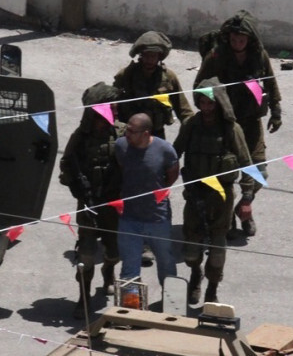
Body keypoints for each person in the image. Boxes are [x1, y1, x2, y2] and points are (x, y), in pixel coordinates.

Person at [194, 10, 282, 237]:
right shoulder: (217, 55)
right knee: (226, 172)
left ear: (250, 39)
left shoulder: (259, 55)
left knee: (259, 171)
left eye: (242, 39)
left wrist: (276, 111)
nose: (237, 43)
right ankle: (226, 219)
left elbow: (271, 83)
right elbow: (199, 85)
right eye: (233, 39)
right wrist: (210, 109)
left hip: (252, 122)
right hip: (226, 122)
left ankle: (244, 206)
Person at [173, 77, 255, 304]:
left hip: (222, 197)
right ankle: (195, 274)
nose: (206, 108)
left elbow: (247, 163)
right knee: (191, 248)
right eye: (202, 102)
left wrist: (247, 198)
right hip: (195, 193)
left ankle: (212, 287)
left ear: (218, 103)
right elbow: (174, 153)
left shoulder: (231, 129)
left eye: (210, 102)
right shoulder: (191, 125)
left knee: (218, 249)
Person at [59, 82, 124, 319]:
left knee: (114, 251)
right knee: (86, 255)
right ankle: (84, 297)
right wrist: (77, 186)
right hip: (88, 204)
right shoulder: (81, 137)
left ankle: (109, 271)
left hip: (113, 204)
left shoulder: (122, 133)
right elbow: (66, 163)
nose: (116, 111)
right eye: (112, 107)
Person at [114, 113, 179, 286]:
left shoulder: (164, 149)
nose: (127, 134)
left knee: (166, 262)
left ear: (146, 133)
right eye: (127, 129)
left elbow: (173, 172)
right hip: (129, 218)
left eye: (132, 131)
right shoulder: (121, 146)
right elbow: (123, 169)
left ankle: (170, 303)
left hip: (157, 218)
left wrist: (159, 189)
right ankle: (130, 307)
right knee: (129, 268)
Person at [114, 31, 195, 140]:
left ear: (159, 57)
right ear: (140, 55)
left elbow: (183, 109)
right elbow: (111, 103)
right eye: (146, 55)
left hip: (157, 134)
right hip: (131, 134)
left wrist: (193, 127)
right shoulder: (126, 75)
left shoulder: (169, 77)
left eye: (153, 56)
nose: (149, 60)